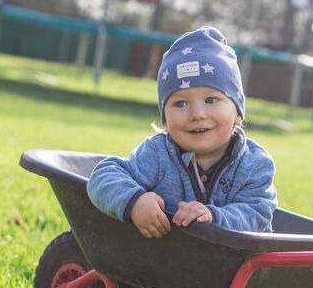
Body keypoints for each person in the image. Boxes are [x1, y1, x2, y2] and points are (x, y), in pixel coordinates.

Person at [87, 26, 277, 237]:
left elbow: (257, 214)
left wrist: (214, 217)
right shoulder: (158, 154)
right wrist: (135, 201)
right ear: (166, 120)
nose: (197, 114)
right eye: (180, 104)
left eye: (211, 100)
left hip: (236, 263)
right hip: (166, 257)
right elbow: (103, 176)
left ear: (238, 114)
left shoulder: (255, 163)